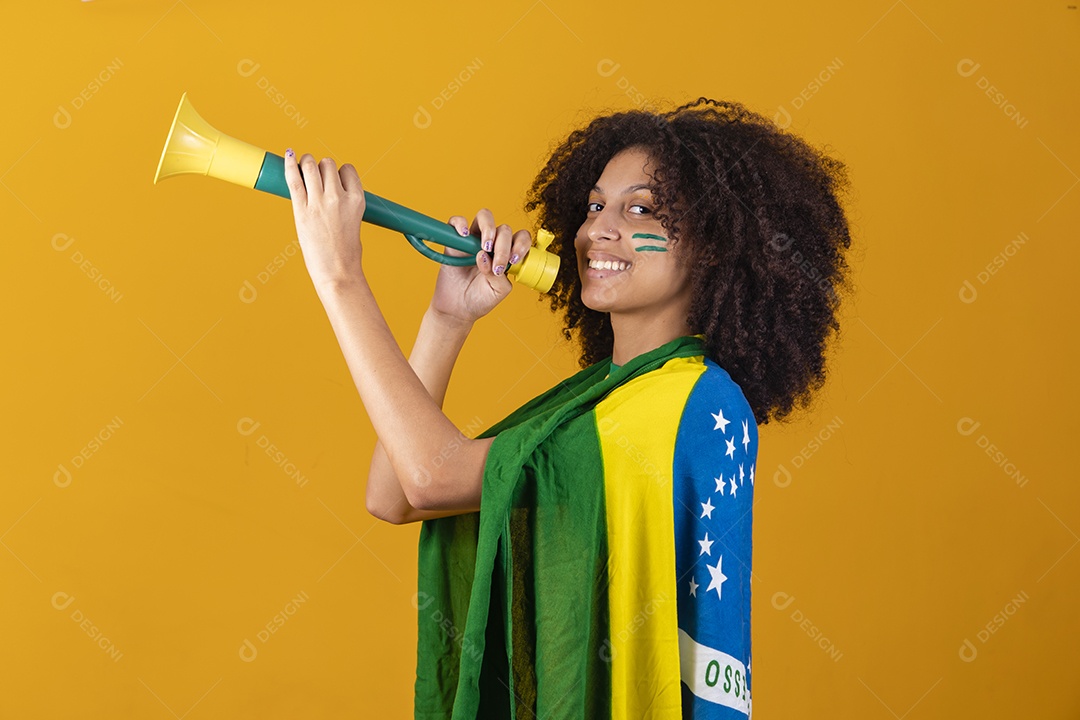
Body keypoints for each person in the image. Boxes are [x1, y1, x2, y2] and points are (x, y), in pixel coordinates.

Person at [284, 97, 852, 719]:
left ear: (713, 245)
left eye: (641, 209)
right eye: (594, 206)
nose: (597, 230)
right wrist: (448, 318)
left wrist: (340, 277)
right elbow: (394, 493)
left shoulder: (686, 400)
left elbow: (428, 477)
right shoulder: (606, 396)